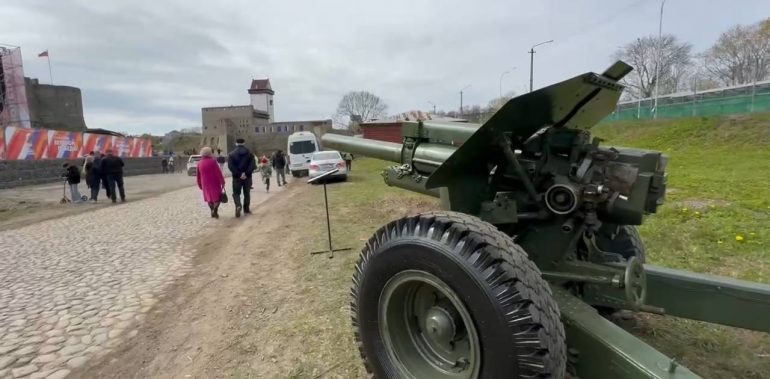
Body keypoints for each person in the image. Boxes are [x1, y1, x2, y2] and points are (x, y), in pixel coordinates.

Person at [227, 138, 256, 218]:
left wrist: (239, 174)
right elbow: (253, 165)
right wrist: (246, 173)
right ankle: (246, 209)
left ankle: (238, 206)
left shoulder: (231, 154)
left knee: (236, 193)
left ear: (236, 143)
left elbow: (230, 166)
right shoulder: (250, 153)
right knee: (247, 193)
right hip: (248, 177)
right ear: (244, 143)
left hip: (236, 177)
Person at [196, 147, 225, 218]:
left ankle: (212, 209)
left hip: (205, 183)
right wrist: (222, 182)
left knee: (209, 198)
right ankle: (215, 209)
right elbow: (218, 172)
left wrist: (199, 184)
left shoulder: (199, 163)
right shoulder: (213, 161)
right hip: (215, 182)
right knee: (217, 198)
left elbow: (198, 176)